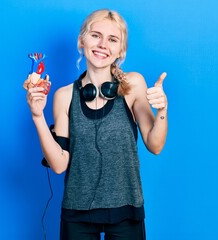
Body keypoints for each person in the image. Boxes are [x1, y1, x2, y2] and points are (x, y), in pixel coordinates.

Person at [24, 9, 168, 240]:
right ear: (82, 40)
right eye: (96, 36)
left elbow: (155, 145)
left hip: (126, 209)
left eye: (112, 40)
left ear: (120, 50)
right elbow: (59, 165)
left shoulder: (133, 84)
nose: (103, 45)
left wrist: (162, 110)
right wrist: (38, 117)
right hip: (77, 212)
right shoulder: (64, 96)